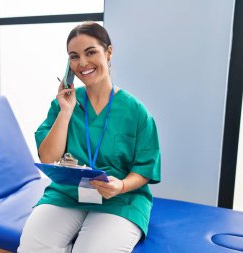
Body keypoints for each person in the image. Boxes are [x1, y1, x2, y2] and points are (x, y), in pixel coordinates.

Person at [18, 21, 161, 253]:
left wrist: (122, 185)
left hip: (120, 200)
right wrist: (65, 111)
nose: (82, 63)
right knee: (32, 249)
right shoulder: (63, 104)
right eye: (74, 56)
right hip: (67, 194)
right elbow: (48, 157)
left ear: (109, 52)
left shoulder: (135, 111)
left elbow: (145, 168)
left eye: (91, 52)